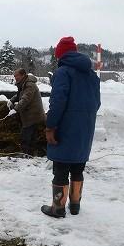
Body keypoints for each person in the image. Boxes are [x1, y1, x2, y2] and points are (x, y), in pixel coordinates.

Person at [41, 36, 100, 218]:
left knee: (60, 168)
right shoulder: (91, 75)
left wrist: (50, 126)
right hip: (86, 128)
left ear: (60, 55)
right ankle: (75, 205)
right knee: (77, 168)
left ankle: (57, 208)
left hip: (65, 128)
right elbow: (97, 103)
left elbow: (58, 102)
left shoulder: (63, 72)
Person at [6, 68, 46, 156]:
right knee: (31, 135)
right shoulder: (23, 84)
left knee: (26, 135)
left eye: (16, 75)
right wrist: (11, 100)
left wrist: (15, 109)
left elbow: (25, 99)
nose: (15, 77)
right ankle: (31, 152)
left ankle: (26, 154)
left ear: (23, 75)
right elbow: (19, 95)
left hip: (33, 115)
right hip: (29, 114)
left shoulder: (30, 85)